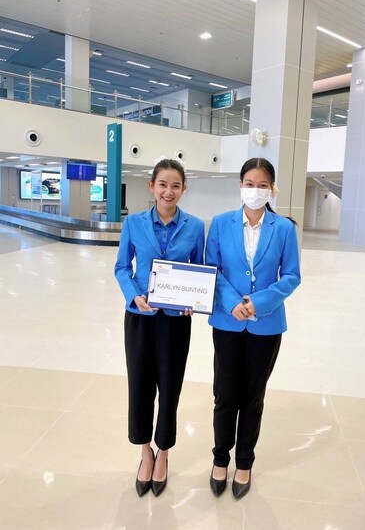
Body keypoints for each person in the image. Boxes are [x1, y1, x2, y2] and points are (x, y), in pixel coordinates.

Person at [205, 157, 301, 499]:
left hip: (266, 325)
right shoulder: (220, 223)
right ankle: (220, 459)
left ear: (272, 188)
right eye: (249, 183)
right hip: (228, 322)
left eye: (262, 185)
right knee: (224, 395)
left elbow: (291, 276)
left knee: (253, 397)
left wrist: (257, 303)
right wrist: (232, 301)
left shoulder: (285, 229)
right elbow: (212, 268)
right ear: (240, 185)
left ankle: (244, 462)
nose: (255, 190)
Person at [114, 158, 205, 498]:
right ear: (151, 186)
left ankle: (164, 451)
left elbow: (200, 270)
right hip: (140, 316)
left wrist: (192, 300)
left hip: (175, 322)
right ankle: (144, 452)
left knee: (170, 388)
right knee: (139, 386)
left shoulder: (195, 227)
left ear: (183, 190)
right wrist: (133, 296)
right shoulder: (134, 223)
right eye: (163, 184)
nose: (169, 191)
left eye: (176, 185)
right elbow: (122, 267)